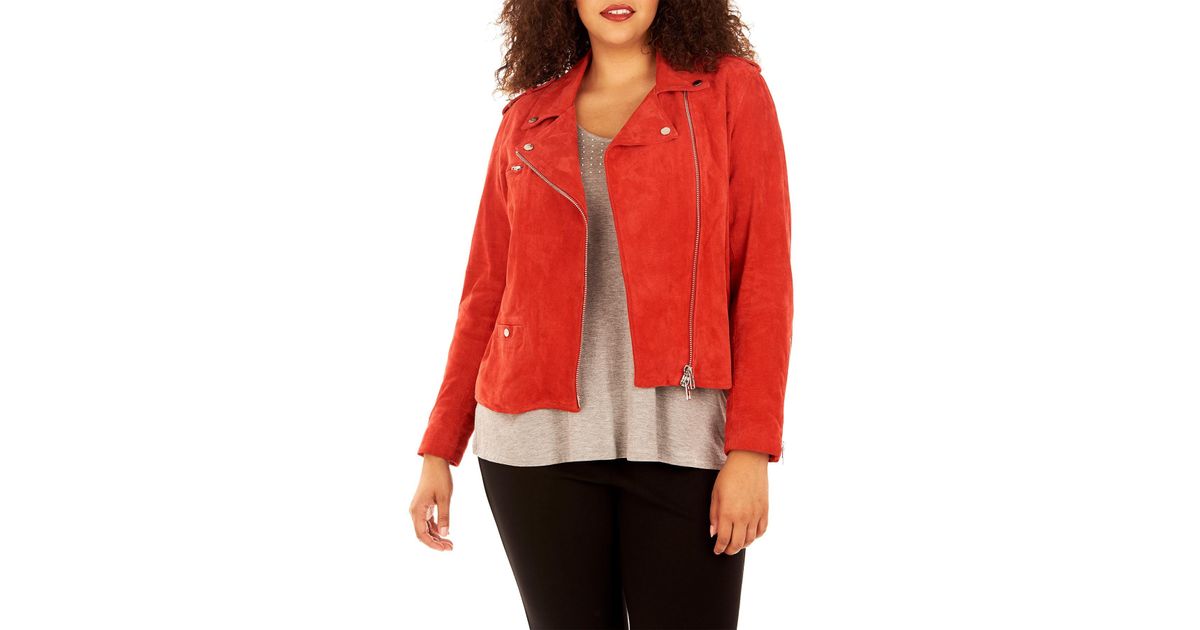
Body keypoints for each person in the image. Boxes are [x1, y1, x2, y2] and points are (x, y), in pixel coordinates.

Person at [411, 0, 792, 627]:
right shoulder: (527, 117)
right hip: (533, 446)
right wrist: (439, 449)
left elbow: (763, 278)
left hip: (682, 439)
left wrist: (752, 449)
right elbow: (486, 289)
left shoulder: (728, 92)